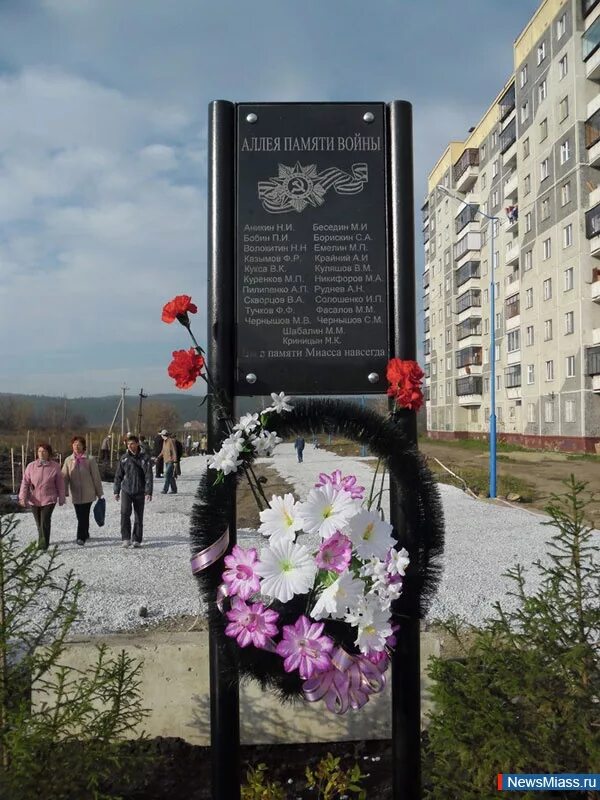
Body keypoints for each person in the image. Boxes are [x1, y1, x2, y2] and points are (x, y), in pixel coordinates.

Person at [18, 443, 65, 550]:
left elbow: (60, 484)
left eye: (44, 451)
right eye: (39, 451)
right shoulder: (31, 466)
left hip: (49, 499)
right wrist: (22, 497)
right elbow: (25, 483)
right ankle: (41, 539)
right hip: (34, 499)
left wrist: (61, 497)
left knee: (45, 522)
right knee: (39, 523)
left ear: (49, 453)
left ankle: (44, 544)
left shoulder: (55, 466)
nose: (41, 453)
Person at [62, 435, 104, 546]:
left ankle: (80, 537)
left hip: (88, 493)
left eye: (79, 444)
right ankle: (85, 532)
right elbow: (64, 476)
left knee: (83, 515)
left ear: (83, 446)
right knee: (79, 515)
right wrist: (64, 490)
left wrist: (99, 493)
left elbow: (96, 477)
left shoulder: (90, 459)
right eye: (75, 444)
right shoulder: (68, 460)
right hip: (75, 494)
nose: (76, 446)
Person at [113, 434, 153, 548]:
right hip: (126, 490)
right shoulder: (124, 458)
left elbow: (148, 476)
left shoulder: (145, 458)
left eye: (132, 443)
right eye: (128, 444)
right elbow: (118, 475)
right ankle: (125, 538)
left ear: (137, 444)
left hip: (140, 491)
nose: (130, 446)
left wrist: (148, 491)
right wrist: (116, 491)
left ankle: (136, 539)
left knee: (138, 516)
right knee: (125, 513)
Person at [159, 429, 178, 494]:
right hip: (166, 460)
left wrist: (175, 461)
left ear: (164, 435)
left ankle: (165, 489)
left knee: (167, 474)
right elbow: (163, 451)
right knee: (170, 476)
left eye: (161, 435)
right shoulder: (164, 442)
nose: (161, 436)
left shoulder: (171, 441)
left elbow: (174, 451)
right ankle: (174, 489)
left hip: (171, 460)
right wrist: (158, 457)